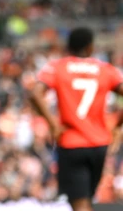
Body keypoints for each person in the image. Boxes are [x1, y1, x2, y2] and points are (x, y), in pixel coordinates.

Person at [29, 27, 123, 211]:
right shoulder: (105, 69)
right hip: (99, 144)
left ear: (69, 47)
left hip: (72, 143)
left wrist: (53, 124)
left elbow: (35, 94)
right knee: (85, 199)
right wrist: (118, 125)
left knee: (79, 204)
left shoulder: (57, 67)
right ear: (90, 48)